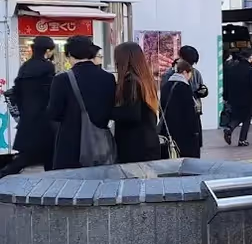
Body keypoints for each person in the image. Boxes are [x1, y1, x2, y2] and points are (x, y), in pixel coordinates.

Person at [46, 35, 116, 170]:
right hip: (99, 142)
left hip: (70, 145)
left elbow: (54, 113)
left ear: (69, 54)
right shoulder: (108, 77)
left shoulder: (61, 79)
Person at [0, 36, 56, 176]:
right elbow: (50, 92)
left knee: (29, 155)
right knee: (47, 154)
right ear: (47, 51)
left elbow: (18, 91)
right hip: (43, 117)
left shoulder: (25, 67)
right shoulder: (48, 66)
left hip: (27, 116)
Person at [110, 42, 161, 163]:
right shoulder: (146, 80)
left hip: (134, 145)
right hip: (149, 141)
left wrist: (108, 111)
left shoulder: (131, 81)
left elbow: (131, 114)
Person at [162, 59, 202, 158]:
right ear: (185, 72)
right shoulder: (184, 87)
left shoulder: (166, 86)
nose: (190, 77)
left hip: (169, 131)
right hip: (185, 134)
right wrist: (195, 132)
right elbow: (190, 113)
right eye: (190, 74)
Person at [222, 49, 252, 147]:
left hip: (234, 97)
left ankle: (229, 128)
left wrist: (226, 96)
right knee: (246, 118)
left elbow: (227, 83)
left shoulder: (233, 68)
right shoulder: (250, 69)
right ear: (250, 57)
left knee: (238, 116)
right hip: (247, 97)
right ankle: (242, 139)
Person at [161, 45, 209, 114]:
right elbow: (165, 96)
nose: (190, 66)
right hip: (175, 113)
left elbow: (200, 88)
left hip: (193, 112)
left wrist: (203, 92)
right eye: (189, 63)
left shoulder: (196, 73)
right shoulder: (169, 75)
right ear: (181, 58)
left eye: (192, 63)